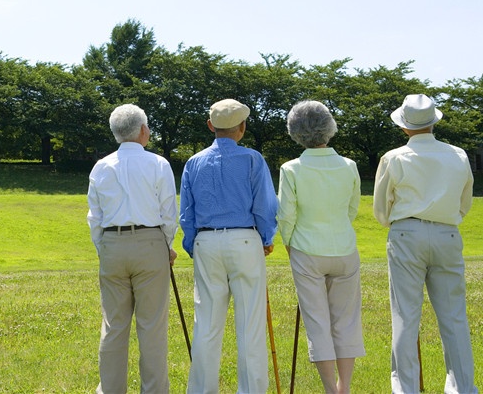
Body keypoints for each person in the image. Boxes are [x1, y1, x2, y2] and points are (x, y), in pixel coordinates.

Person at [373, 94, 477, 394]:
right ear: (434, 122)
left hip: (406, 233)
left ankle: (406, 389)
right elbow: (465, 201)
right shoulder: (458, 154)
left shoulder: (394, 157)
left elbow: (381, 208)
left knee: (405, 315)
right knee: (454, 316)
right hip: (447, 233)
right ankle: (463, 388)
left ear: (405, 127)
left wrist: (396, 223)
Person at [179, 98, 278, 394]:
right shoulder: (253, 159)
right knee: (250, 325)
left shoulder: (193, 162)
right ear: (242, 128)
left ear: (211, 126)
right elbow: (265, 205)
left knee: (207, 324)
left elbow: (187, 213)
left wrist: (193, 244)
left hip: (206, 240)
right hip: (245, 239)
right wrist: (266, 237)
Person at [87, 103, 179, 394]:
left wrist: (105, 248)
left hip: (112, 244)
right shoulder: (158, 164)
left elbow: (95, 217)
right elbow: (168, 213)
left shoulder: (101, 166)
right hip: (150, 242)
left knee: (114, 325)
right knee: (151, 328)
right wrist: (167, 245)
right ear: (143, 130)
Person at [277, 101, 365, 394]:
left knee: (317, 321)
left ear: (295, 132)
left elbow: (286, 215)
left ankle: (330, 389)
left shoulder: (291, 169)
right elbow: (353, 207)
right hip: (344, 247)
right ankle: (346, 387)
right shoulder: (349, 166)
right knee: (346, 320)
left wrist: (288, 242)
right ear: (329, 126)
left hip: (306, 249)